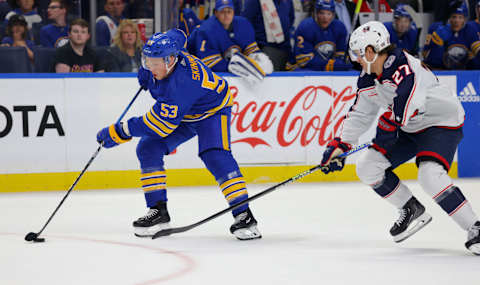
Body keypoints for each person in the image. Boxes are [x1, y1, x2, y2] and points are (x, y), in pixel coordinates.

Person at [320, 21, 480, 255]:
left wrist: (389, 125)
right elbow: (361, 113)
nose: (354, 59)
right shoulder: (368, 77)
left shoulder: (403, 65)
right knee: (368, 167)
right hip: (408, 126)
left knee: (429, 175)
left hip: (440, 122)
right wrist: (342, 144)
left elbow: (408, 101)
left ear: (370, 51)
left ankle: (474, 227)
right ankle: (410, 208)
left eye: (357, 53)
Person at [95, 30, 262, 240]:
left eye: (155, 63)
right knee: (148, 148)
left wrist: (120, 131)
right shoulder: (170, 48)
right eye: (148, 61)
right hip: (185, 111)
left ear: (171, 60)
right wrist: (149, 70)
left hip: (212, 111)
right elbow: (179, 33)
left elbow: (159, 126)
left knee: (214, 155)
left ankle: (244, 215)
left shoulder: (181, 85)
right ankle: (158, 212)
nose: (150, 67)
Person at [189, 0, 273, 84]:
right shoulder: (206, 30)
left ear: (233, 12)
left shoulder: (243, 24)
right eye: (222, 12)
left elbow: (252, 51)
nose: (226, 15)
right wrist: (237, 67)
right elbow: (210, 64)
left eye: (229, 11)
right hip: (196, 74)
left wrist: (258, 62)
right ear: (216, 13)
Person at [290, 0, 351, 71]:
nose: (325, 17)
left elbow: (341, 55)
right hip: (302, 67)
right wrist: (330, 65)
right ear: (315, 13)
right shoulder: (306, 27)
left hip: (326, 67)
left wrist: (341, 63)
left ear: (333, 15)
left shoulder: (339, 27)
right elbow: (304, 60)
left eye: (329, 14)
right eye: (322, 13)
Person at [423, 2, 480, 70]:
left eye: (460, 17)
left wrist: (472, 57)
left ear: (465, 19)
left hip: (464, 72)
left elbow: (478, 54)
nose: (456, 21)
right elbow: (425, 55)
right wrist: (438, 44)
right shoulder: (436, 28)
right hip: (439, 71)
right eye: (454, 17)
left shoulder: (470, 29)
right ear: (448, 18)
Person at [242, 0, 295, 71]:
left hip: (286, 47)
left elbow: (290, 19)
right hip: (265, 48)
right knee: (272, 80)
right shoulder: (253, 1)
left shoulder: (288, 1)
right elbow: (246, 24)